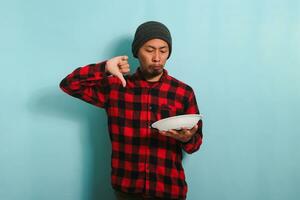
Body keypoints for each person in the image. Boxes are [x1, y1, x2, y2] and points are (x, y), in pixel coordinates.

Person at [60, 21, 203, 200]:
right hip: (127, 190)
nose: (157, 57)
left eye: (163, 50)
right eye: (149, 50)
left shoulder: (183, 92)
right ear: (137, 52)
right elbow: (69, 84)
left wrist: (188, 139)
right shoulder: (116, 87)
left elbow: (195, 144)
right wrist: (104, 68)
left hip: (169, 189)